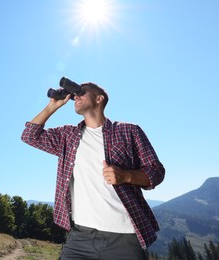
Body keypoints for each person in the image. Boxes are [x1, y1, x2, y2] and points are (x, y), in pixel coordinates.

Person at [21, 80, 165, 260]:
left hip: (124, 238)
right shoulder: (68, 136)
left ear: (99, 99)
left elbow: (156, 171)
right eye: (75, 94)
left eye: (82, 92)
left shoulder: (129, 131)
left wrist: (126, 176)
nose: (76, 96)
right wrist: (52, 107)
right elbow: (29, 136)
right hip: (80, 237)